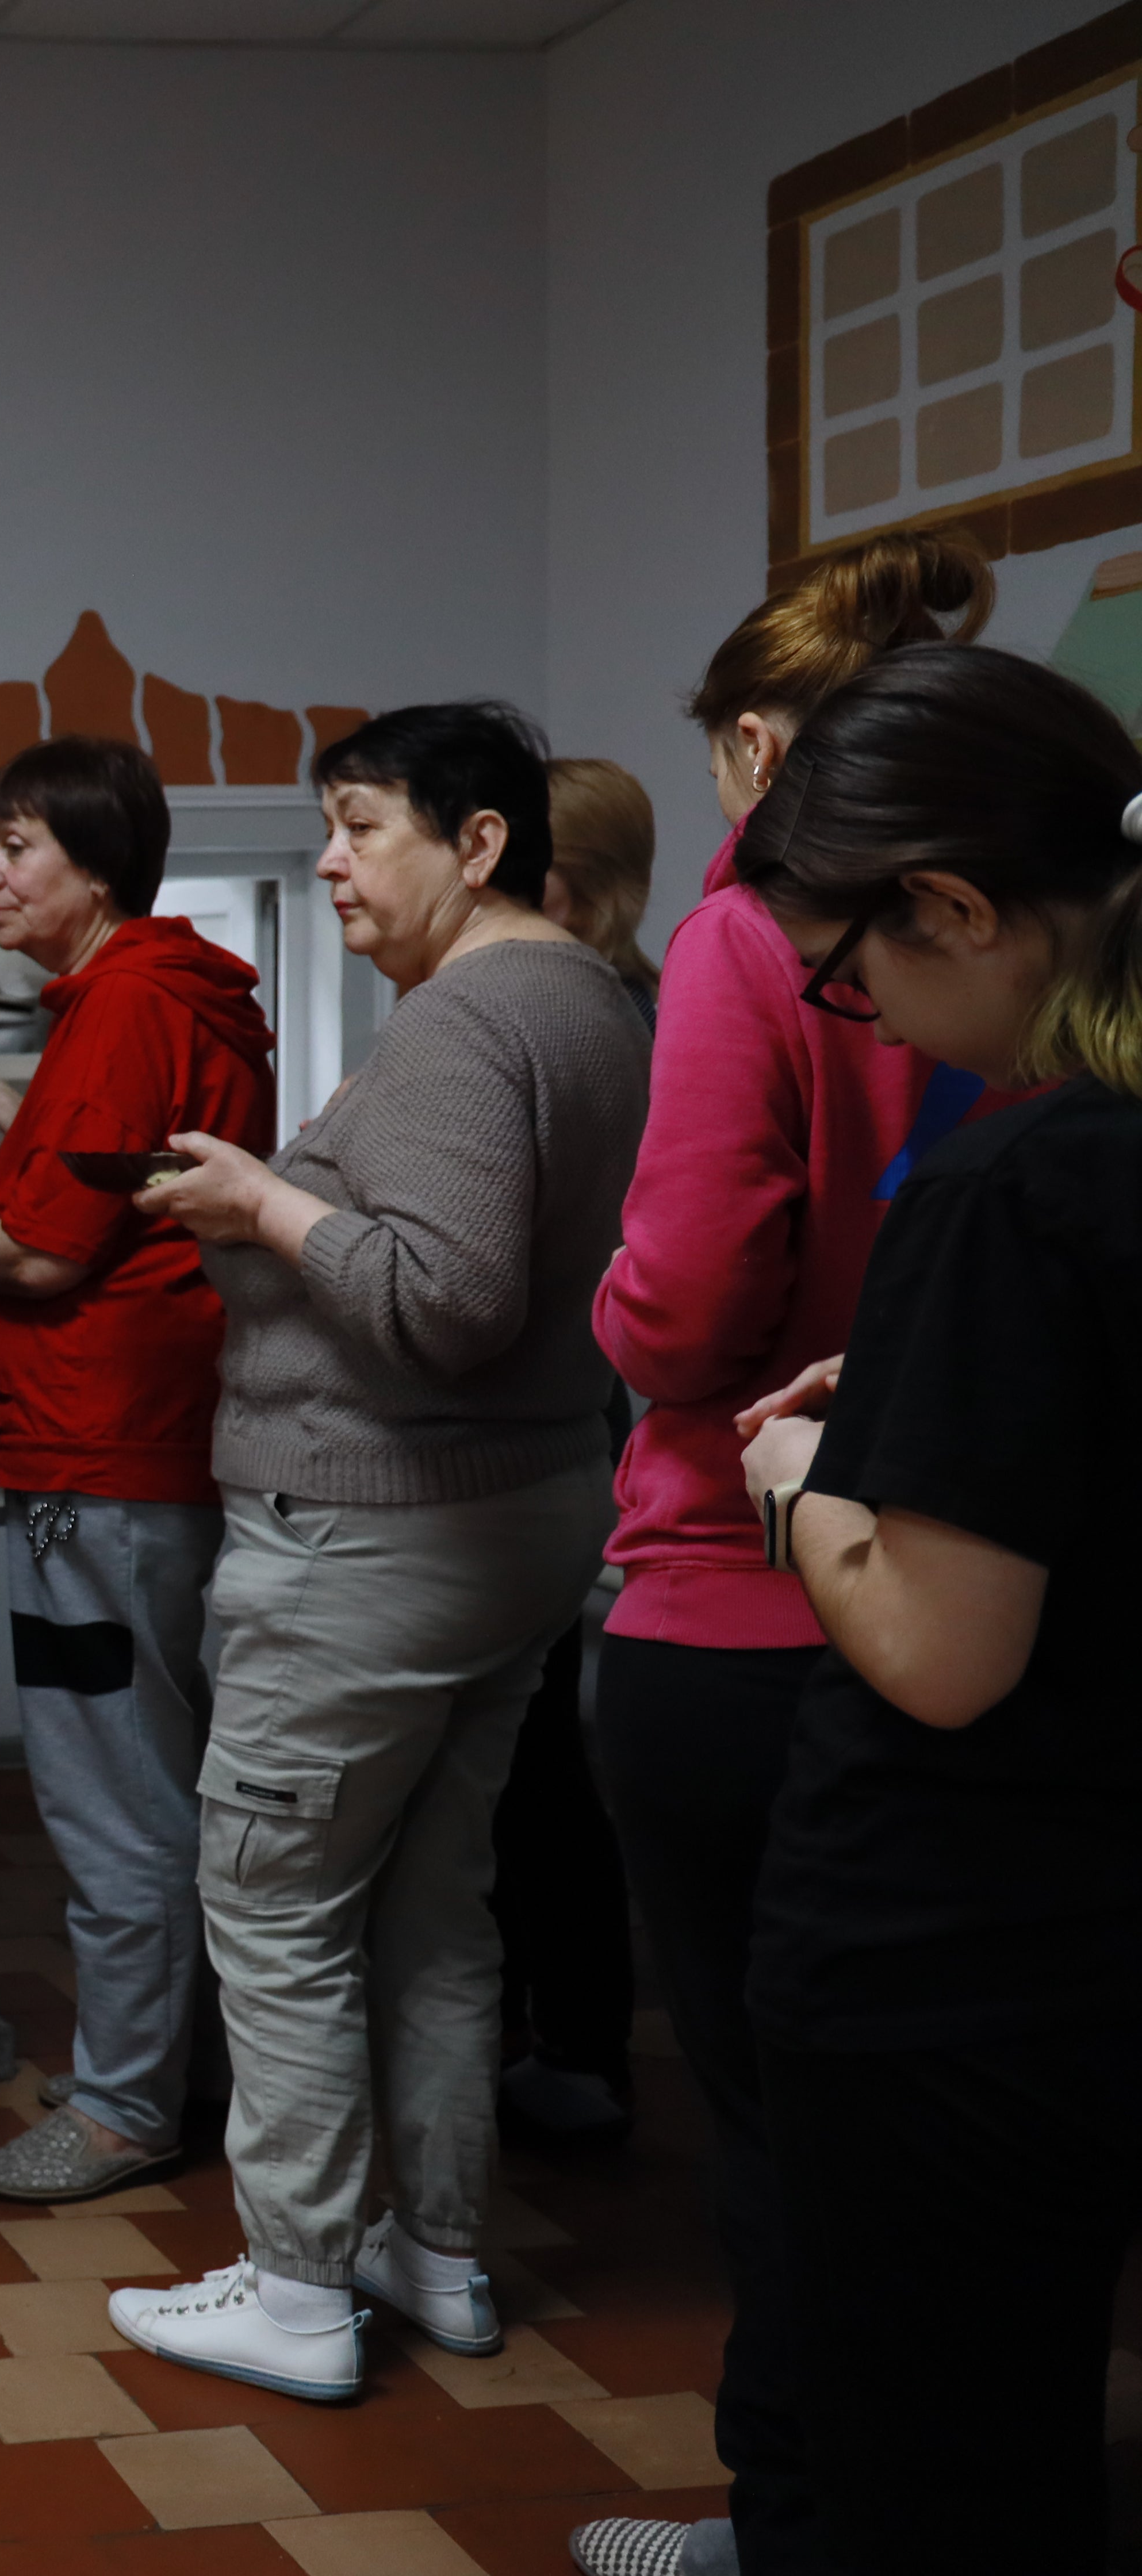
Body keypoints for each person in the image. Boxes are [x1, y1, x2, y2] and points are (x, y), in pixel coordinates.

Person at [119, 703, 645, 2404]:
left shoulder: (464, 1015)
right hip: (523, 1514)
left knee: (269, 1904)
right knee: (434, 1903)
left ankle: (292, 2285)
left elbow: (440, 1294)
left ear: (475, 842)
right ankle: (433, 2250)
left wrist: (258, 1201)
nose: (329, 861)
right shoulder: (592, 998)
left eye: (358, 826)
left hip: (375, 1535)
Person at [564, 531, 992, 2576]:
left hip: (741, 1597)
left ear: (752, 745)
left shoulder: (750, 940)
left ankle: (795, 2522)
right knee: (929, 2127)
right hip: (970, 1584)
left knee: (778, 2129)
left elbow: (682, 1309)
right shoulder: (1017, 955)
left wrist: (607, 1304)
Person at [721, 644, 1142, 2576]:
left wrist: (812, 1490)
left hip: (952, 1959)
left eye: (855, 965)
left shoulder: (1014, 1183)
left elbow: (941, 1655)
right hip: (1096, 1924)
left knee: (934, 2468)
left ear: (958, 908)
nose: (861, 1009)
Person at [0, 735, 277, 2206]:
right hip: (162, 1445)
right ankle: (187, 2069)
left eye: (15, 848)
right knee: (176, 1777)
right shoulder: (176, 996)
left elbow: (47, 1251)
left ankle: (121, 2110)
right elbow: (114, 1177)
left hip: (94, 1458)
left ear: (96, 870)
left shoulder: (118, 1012)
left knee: (115, 1798)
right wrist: (15, 1108)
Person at [487, 754, 661, 2160]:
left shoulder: (604, 1027)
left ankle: (575, 2045)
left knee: (544, 1768)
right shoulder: (636, 1012)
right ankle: (559, 2038)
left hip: (587, 1448)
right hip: (580, 1444)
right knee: (541, 1761)